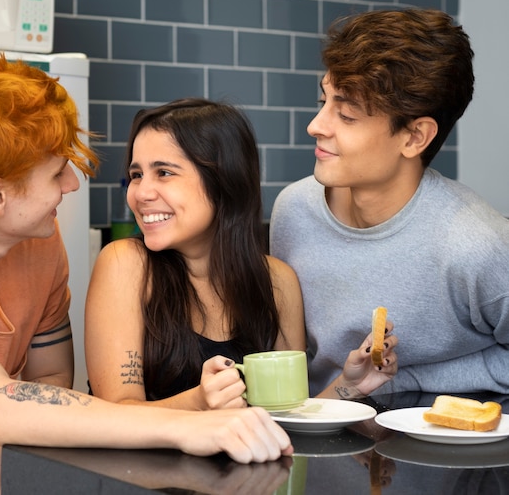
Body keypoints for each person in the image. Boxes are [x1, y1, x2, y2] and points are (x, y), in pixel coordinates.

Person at [0, 49, 294, 495]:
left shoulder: (36, 244)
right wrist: (191, 427)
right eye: (58, 171)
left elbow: (49, 380)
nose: (72, 184)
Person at [85, 98, 397, 410]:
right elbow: (114, 413)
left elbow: (289, 414)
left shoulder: (277, 282)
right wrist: (198, 402)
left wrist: (350, 386)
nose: (141, 193)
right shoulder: (124, 264)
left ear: (224, 180)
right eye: (136, 174)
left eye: (164, 172)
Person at [270, 8, 509, 397]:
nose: (316, 125)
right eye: (323, 100)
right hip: (325, 439)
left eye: (346, 114)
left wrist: (408, 379)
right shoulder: (294, 210)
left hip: (452, 453)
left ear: (415, 137)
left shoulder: (477, 245)